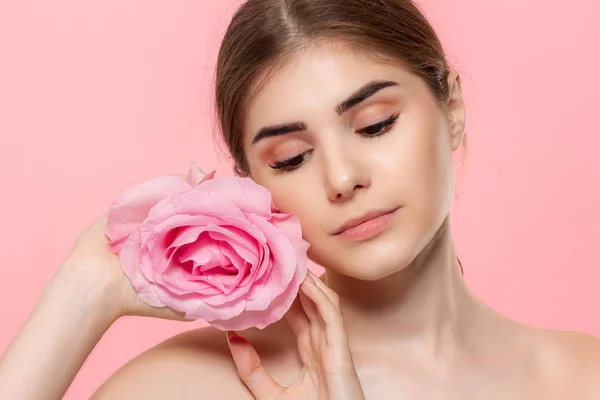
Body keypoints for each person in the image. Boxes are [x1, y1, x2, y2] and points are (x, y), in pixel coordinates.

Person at [1, 0, 599, 398]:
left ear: (453, 111)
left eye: (374, 124)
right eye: (291, 158)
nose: (341, 178)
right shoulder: (187, 386)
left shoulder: (582, 378)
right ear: (252, 188)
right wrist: (84, 288)